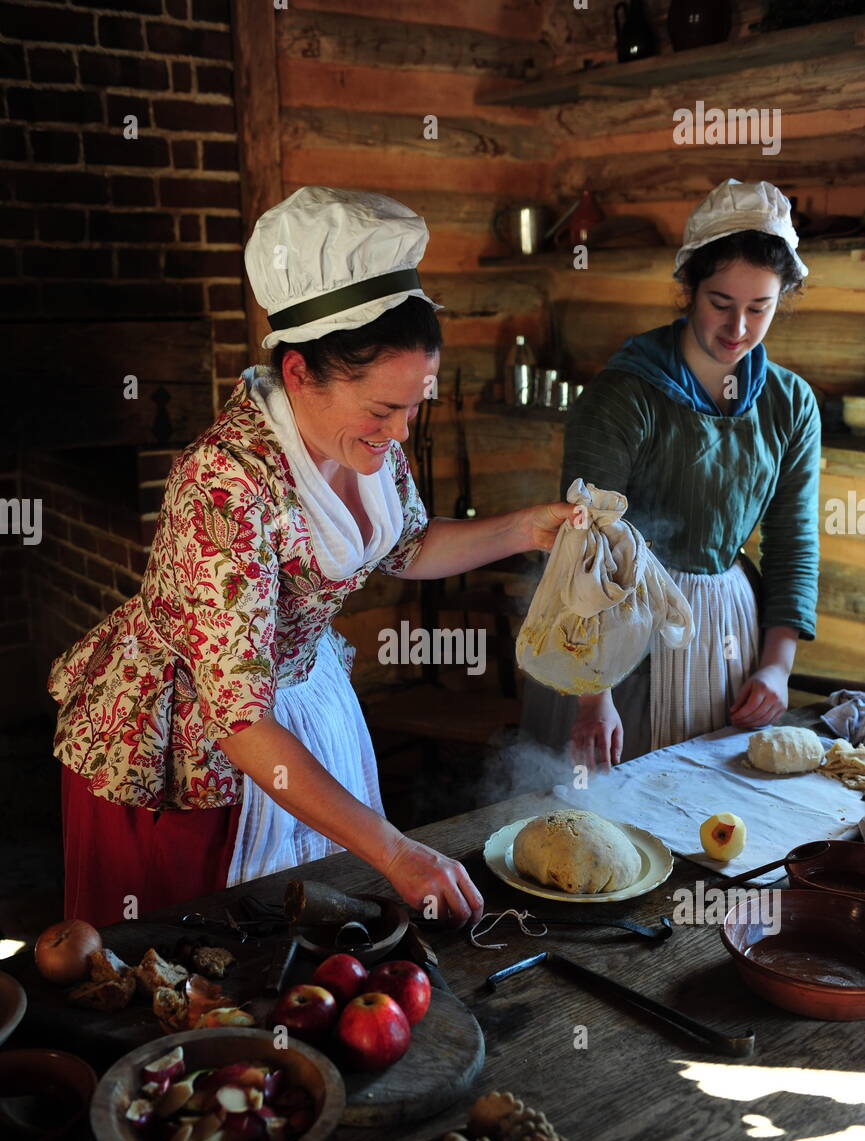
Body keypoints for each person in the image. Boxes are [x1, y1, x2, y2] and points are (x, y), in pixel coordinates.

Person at [49, 186, 577, 931]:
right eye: (383, 409)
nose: (399, 433)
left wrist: (532, 528)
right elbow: (236, 719)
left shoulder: (367, 444)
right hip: (191, 751)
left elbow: (408, 546)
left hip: (298, 698)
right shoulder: (224, 481)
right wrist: (393, 851)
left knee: (307, 936)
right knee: (190, 967)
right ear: (298, 373)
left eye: (414, 405)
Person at [523, 178, 820, 768]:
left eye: (759, 308)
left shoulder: (789, 404)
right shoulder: (623, 395)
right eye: (720, 303)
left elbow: (793, 542)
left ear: (780, 299)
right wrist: (592, 697)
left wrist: (775, 666)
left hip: (725, 631)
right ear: (687, 289)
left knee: (702, 809)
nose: (738, 328)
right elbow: (588, 542)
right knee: (606, 818)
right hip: (613, 628)